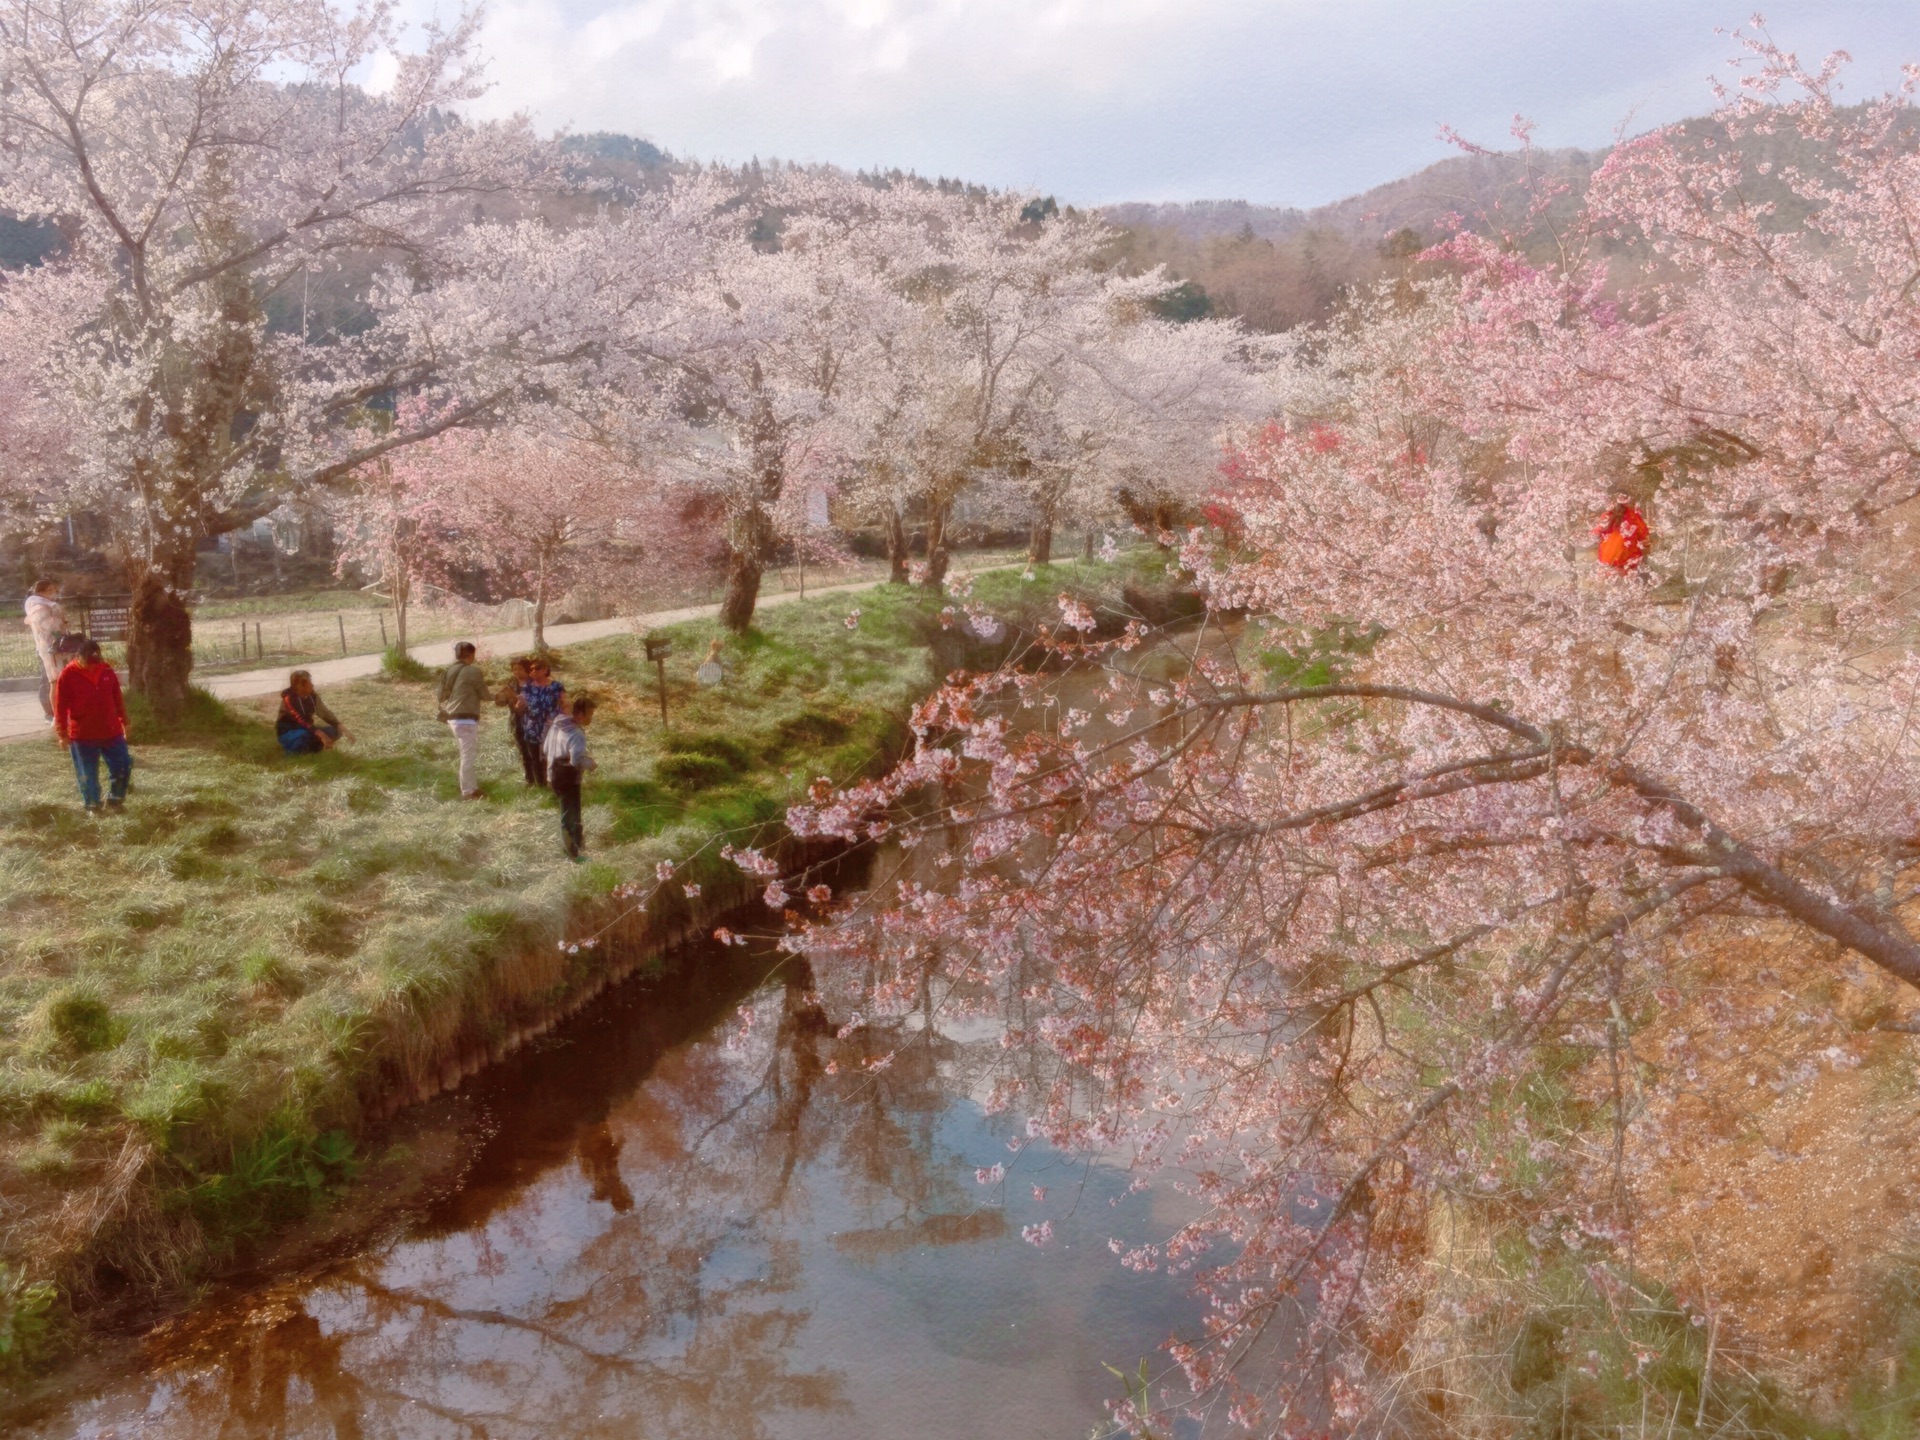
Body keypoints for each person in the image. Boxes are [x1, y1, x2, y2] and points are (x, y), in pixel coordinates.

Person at [53, 639, 130, 813]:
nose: (92, 667)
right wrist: (62, 734)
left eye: (95, 663)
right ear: (77, 657)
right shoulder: (67, 675)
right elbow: (60, 707)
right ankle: (92, 805)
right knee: (87, 773)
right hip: (83, 735)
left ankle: (115, 800)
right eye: (88, 663)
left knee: (123, 764)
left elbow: (117, 698)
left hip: (111, 730)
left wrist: (125, 721)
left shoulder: (107, 670)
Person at [542, 695, 597, 860]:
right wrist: (591, 764)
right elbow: (576, 760)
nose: (591, 719)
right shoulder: (577, 734)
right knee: (570, 813)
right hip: (568, 776)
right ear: (580, 714)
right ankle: (571, 853)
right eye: (590, 715)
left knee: (570, 811)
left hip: (553, 773)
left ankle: (578, 843)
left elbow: (545, 748)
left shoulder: (557, 723)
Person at [437, 641, 487, 799]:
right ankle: (468, 792)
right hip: (466, 719)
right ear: (471, 655)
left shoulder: (448, 671)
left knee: (465, 754)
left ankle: (472, 787)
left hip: (452, 719)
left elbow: (440, 697)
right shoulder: (473, 671)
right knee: (468, 757)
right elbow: (485, 695)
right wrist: (502, 697)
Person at [517, 656, 567, 788]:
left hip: (551, 727)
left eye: (537, 668)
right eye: (531, 669)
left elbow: (565, 704)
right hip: (532, 727)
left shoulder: (556, 686)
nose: (533, 671)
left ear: (545, 669)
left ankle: (555, 783)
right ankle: (541, 786)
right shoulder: (528, 686)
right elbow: (520, 702)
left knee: (552, 757)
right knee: (535, 759)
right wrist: (519, 705)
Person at [23, 578, 65, 726]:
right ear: (41, 592)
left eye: (54, 591)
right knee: (50, 681)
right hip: (47, 649)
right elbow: (48, 625)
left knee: (54, 680)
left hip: (52, 647)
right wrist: (59, 618)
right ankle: (50, 713)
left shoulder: (43, 605)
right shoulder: (37, 606)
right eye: (50, 591)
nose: (53, 594)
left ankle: (57, 712)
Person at [276, 670, 346, 754]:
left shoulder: (312, 696)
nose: (312, 685)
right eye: (309, 682)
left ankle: (310, 749)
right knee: (303, 735)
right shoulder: (289, 698)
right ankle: (290, 752)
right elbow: (300, 720)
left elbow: (324, 712)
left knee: (335, 731)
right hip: (289, 733)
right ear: (299, 686)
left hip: (308, 730)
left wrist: (339, 726)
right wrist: (320, 734)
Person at [494, 656, 537, 784]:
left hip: (534, 723)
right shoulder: (512, 684)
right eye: (514, 669)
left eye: (520, 669)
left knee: (535, 753)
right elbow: (501, 702)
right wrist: (501, 698)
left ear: (528, 670)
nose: (517, 672)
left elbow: (533, 704)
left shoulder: (534, 684)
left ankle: (540, 778)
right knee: (524, 752)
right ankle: (530, 780)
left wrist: (515, 697)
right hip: (517, 722)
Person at [1594, 495, 1650, 574]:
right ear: (1627, 500)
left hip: (1607, 559)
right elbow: (1643, 534)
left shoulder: (1606, 515)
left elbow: (1595, 533)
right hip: (1628, 559)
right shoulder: (1633, 515)